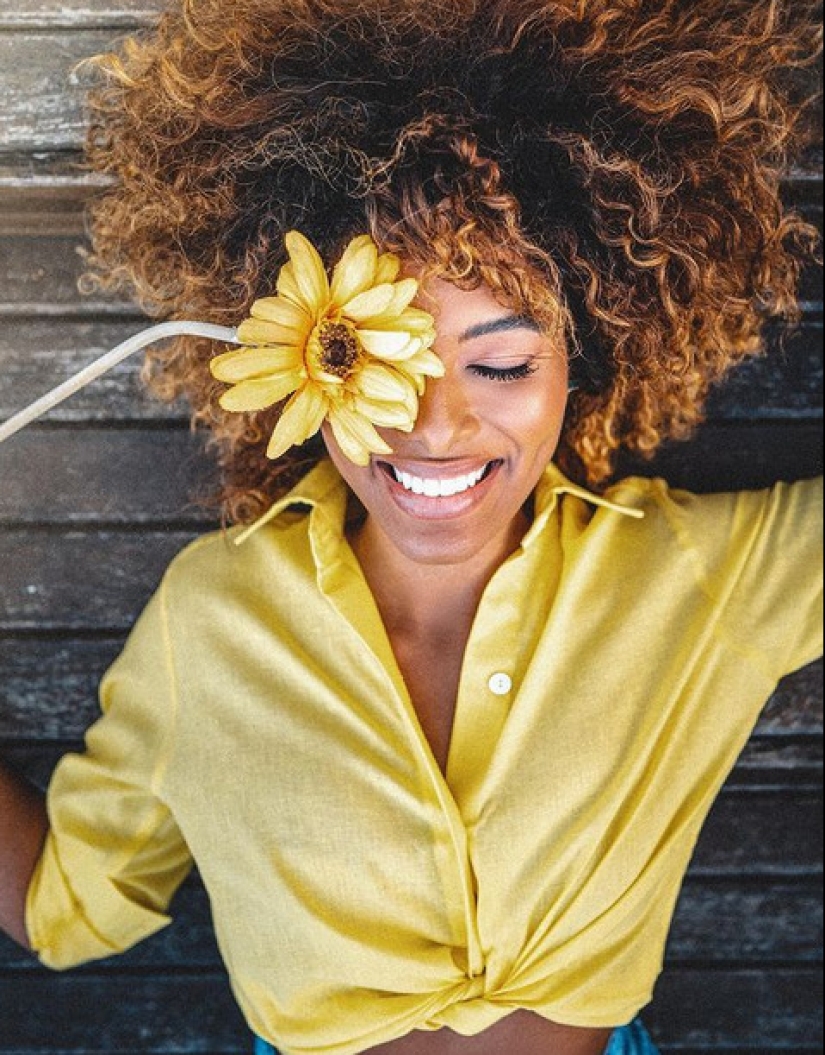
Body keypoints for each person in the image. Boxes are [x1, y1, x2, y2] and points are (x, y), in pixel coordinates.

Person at [0, 1, 822, 1053]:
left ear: (590, 355)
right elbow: (61, 902)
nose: (435, 426)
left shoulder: (702, 577)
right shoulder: (208, 622)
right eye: (375, 362)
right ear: (297, 351)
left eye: (504, 362)